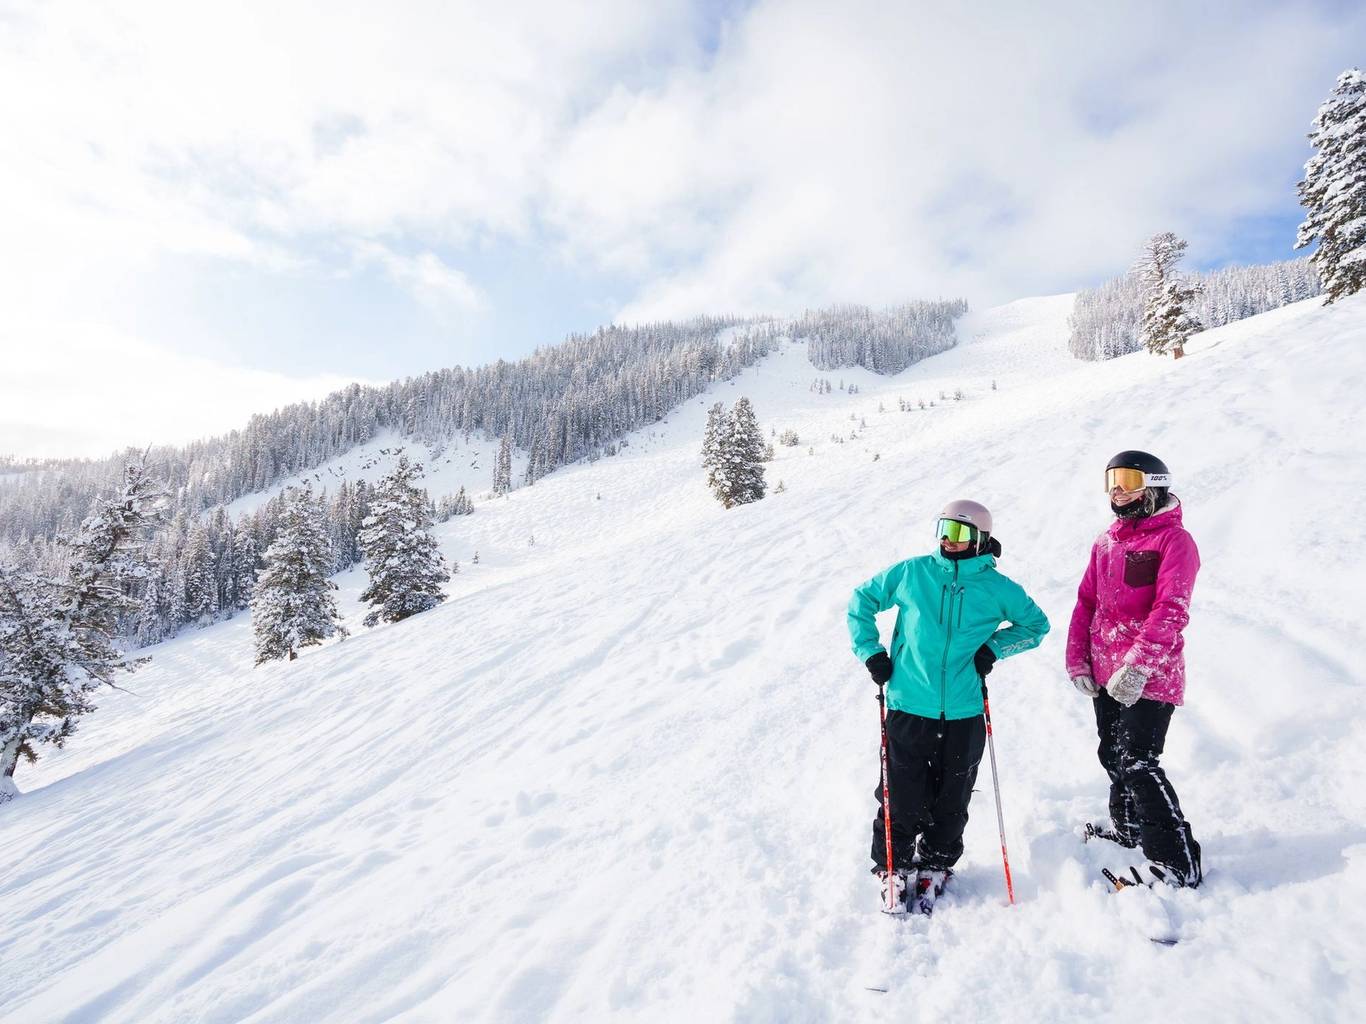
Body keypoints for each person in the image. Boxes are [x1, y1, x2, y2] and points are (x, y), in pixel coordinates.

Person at [847, 499, 1050, 911]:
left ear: (980, 538)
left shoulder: (998, 588)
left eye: (958, 533)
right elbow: (862, 601)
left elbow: (1036, 626)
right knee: (900, 792)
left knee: (952, 793)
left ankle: (938, 861)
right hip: (908, 704)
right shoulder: (913, 572)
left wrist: (994, 649)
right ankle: (892, 864)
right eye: (943, 529)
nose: (947, 540)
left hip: (964, 711)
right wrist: (872, 652)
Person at [1066, 450, 1203, 888]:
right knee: (1113, 756)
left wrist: (1139, 666)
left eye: (1128, 480)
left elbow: (1171, 609)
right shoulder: (1106, 542)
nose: (1118, 491)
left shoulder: (1174, 542)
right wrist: (1078, 660)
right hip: (1106, 674)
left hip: (1151, 676)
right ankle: (1129, 830)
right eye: (1111, 482)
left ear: (1155, 484)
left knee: (1138, 761)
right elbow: (1087, 601)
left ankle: (1178, 862)